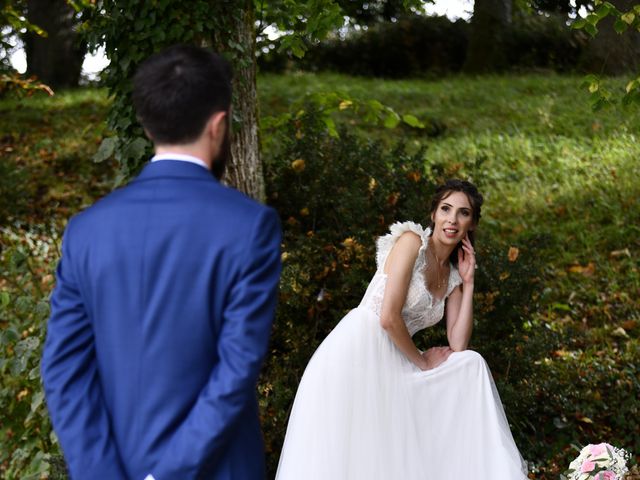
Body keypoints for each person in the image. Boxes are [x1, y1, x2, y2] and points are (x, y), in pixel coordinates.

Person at [41, 45, 282, 479]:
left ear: (148, 126)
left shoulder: (87, 230)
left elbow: (63, 369)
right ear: (219, 125)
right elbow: (236, 368)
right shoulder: (250, 226)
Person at [276, 179, 528, 480]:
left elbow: (458, 343)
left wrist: (469, 282)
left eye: (463, 213)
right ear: (433, 213)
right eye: (446, 209)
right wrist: (421, 362)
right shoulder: (412, 242)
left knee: (471, 363)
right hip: (360, 350)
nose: (452, 219)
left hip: (396, 357)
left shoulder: (451, 277)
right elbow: (388, 317)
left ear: (471, 223)